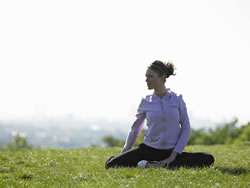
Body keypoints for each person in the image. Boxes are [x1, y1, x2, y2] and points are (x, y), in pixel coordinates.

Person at [105, 60, 215, 169]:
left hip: (171, 152)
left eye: (150, 76)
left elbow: (186, 128)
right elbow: (136, 128)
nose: (146, 79)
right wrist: (125, 151)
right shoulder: (146, 101)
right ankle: (159, 164)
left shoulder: (177, 100)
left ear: (162, 77)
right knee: (111, 164)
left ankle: (154, 164)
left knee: (208, 158)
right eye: (146, 76)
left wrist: (173, 156)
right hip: (148, 149)